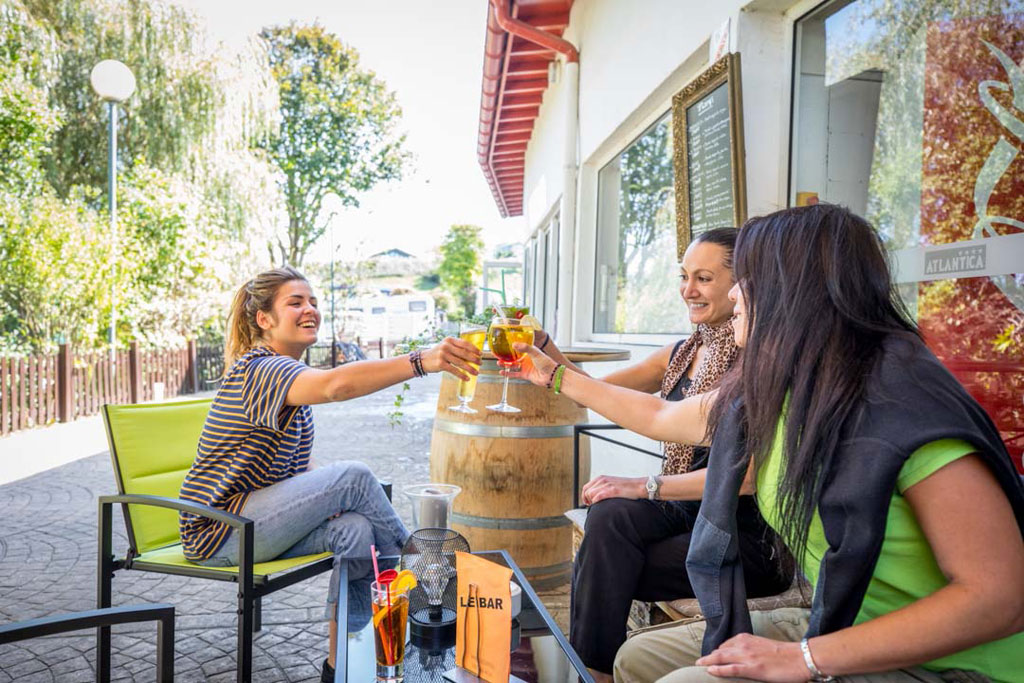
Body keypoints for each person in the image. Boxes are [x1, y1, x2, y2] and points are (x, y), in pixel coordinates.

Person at [511, 204, 1024, 682]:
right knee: (636, 657)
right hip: (843, 616)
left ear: (795, 292)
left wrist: (805, 657)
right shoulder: (785, 387)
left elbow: (1000, 599)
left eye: (745, 279)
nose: (733, 295)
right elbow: (659, 413)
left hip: (950, 664)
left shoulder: (906, 410)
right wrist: (551, 373)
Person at [178, 266, 481, 682]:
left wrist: (333, 498)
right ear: (264, 319)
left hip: (255, 523)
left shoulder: (286, 378)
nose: (310, 309)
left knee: (355, 530)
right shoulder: (259, 370)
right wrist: (421, 360)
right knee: (354, 476)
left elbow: (302, 467)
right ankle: (429, 588)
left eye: (313, 302)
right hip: (219, 529)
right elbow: (336, 386)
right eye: (295, 302)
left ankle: (342, 665)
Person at [534, 228, 791, 679]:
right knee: (608, 516)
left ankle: (591, 669)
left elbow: (746, 477)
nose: (688, 290)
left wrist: (642, 485)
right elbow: (594, 391)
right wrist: (544, 348)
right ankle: (594, 672)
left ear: (742, 286)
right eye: (684, 276)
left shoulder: (760, 362)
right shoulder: (681, 353)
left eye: (704, 278)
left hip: (743, 532)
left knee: (605, 565)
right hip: (685, 509)